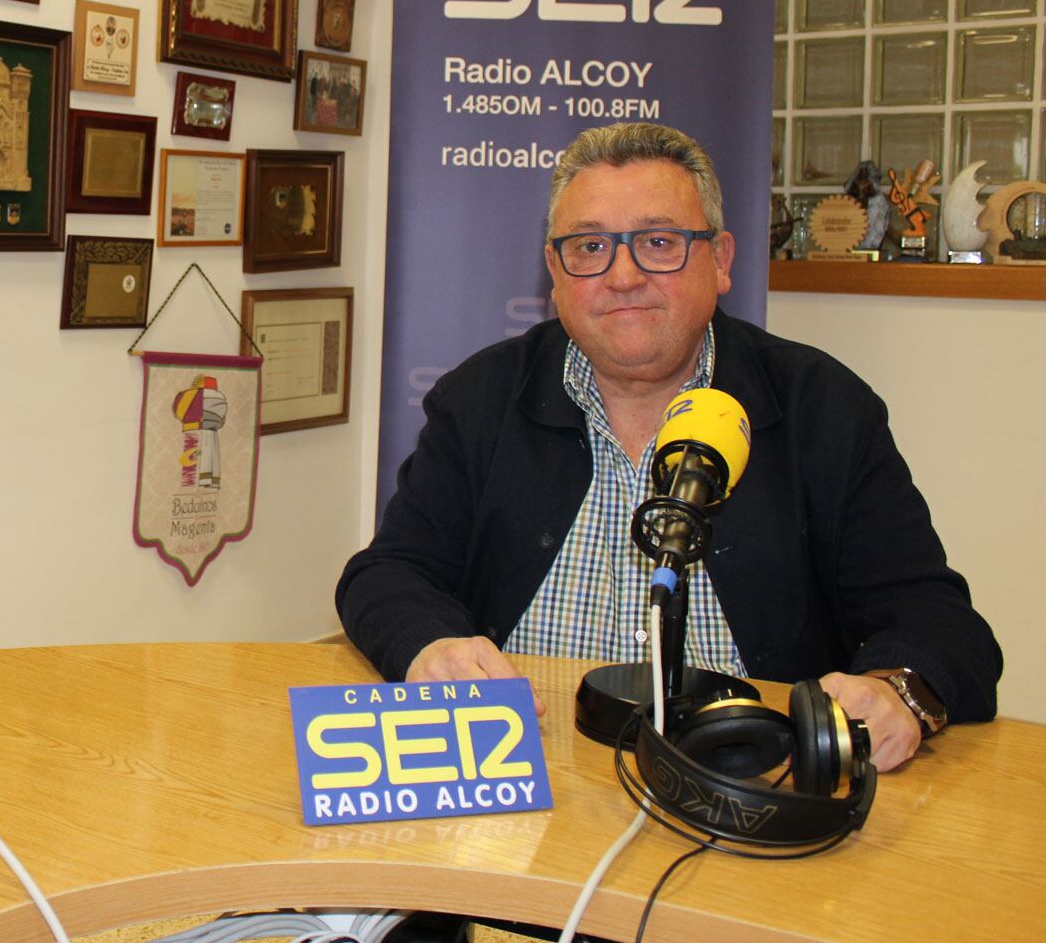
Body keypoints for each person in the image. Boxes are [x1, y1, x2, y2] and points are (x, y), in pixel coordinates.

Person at [337, 122, 1000, 772]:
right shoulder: (481, 399)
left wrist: (899, 692)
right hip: (529, 782)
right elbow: (389, 575)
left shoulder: (821, 408)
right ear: (555, 272)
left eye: (658, 242)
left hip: (747, 784)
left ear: (721, 262)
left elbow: (939, 624)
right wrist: (431, 646)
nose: (623, 275)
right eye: (590, 247)